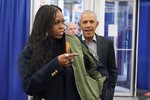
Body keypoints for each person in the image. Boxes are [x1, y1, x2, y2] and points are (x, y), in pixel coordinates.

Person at [18, 5, 105, 100]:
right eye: (56, 23)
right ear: (44, 25)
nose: (62, 27)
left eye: (63, 22)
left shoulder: (74, 42)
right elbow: (29, 87)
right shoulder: (30, 51)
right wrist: (56, 64)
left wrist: (98, 93)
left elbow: (97, 67)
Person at [78, 10, 118, 100]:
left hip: (101, 96)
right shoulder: (75, 44)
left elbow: (112, 71)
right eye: (85, 22)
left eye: (91, 22)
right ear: (79, 25)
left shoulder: (107, 43)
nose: (88, 25)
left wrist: (108, 95)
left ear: (97, 24)